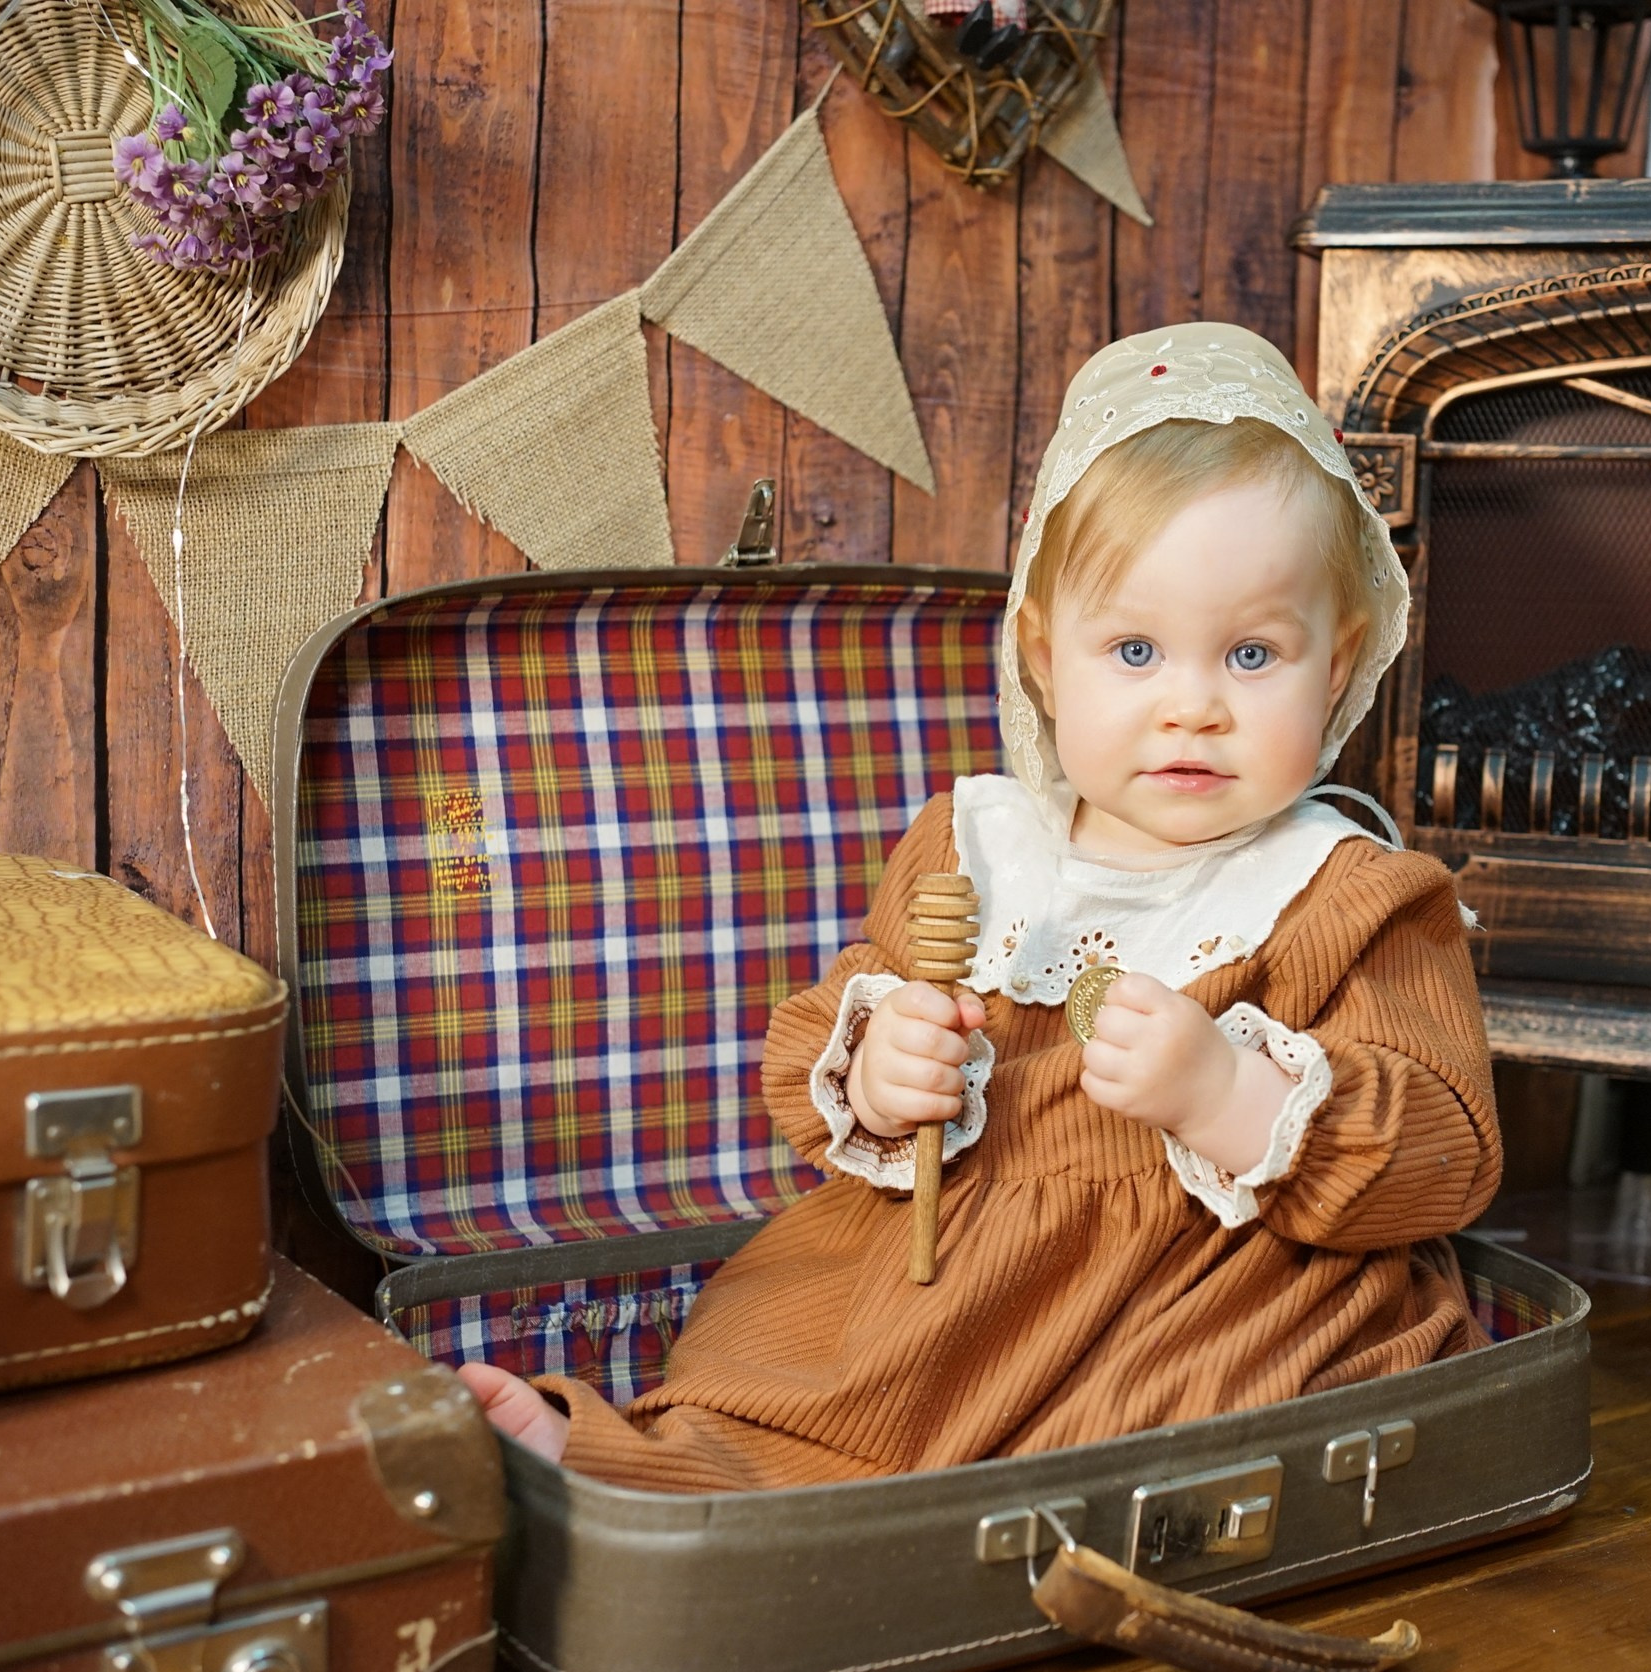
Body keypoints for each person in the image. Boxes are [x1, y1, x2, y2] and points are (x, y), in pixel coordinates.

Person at [459, 323, 1502, 1492]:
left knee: (1172, 1420)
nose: (1193, 706)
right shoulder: (976, 851)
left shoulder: (1351, 891)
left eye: (1252, 656)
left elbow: (1448, 1156)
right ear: (1045, 660)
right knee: (795, 1367)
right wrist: (880, 1070)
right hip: (946, 1276)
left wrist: (1228, 1095)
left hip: (1197, 1294)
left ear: (1337, 663)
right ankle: (622, 1471)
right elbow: (836, 1023)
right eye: (1136, 650)